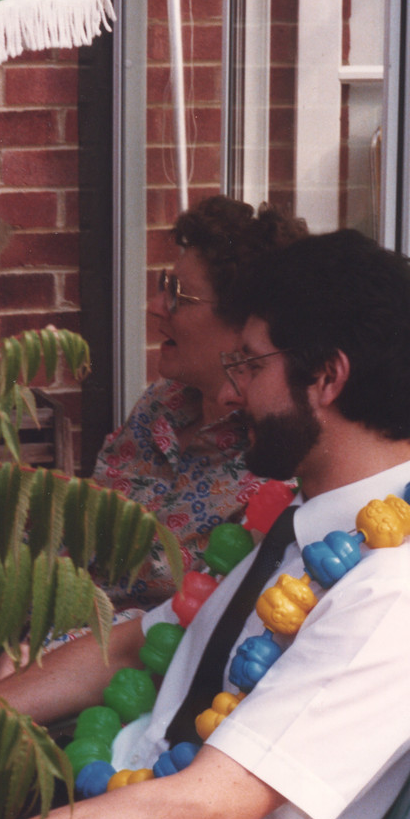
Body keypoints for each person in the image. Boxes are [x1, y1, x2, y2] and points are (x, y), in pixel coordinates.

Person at [0, 228, 410, 819]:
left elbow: (202, 814)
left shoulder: (391, 596)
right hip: (120, 806)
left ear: (326, 378)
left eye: (251, 366)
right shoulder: (308, 520)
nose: (231, 395)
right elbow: (130, 647)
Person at [88, 195, 307, 613]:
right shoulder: (162, 403)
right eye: (162, 286)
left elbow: (203, 622)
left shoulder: (275, 459)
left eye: (177, 294)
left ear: (246, 325)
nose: (155, 307)